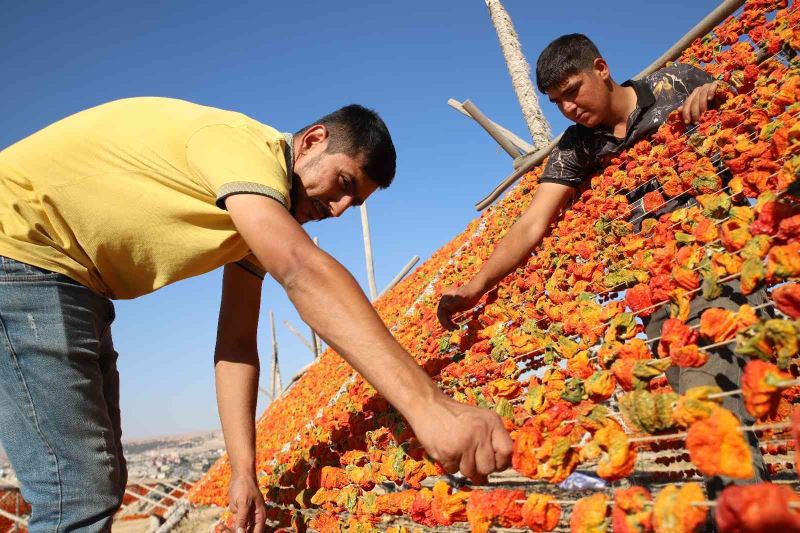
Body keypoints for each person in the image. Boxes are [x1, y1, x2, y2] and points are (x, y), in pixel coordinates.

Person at [0, 97, 513, 533]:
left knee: (99, 480)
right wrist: (430, 409)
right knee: (77, 494)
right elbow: (300, 268)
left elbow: (237, 344)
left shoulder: (250, 219)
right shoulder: (243, 147)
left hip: (64, 280)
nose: (335, 209)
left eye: (351, 204)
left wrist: (244, 469)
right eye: (341, 183)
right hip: (22, 250)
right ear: (312, 140)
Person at [437, 34, 767, 494]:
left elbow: (755, 104)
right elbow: (533, 222)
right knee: (684, 385)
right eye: (557, 103)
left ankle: (741, 507)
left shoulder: (675, 84)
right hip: (656, 282)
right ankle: (737, 499)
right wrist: (475, 286)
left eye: (573, 91)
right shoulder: (577, 146)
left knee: (707, 382)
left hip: (720, 257)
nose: (568, 109)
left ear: (601, 68)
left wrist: (717, 93)